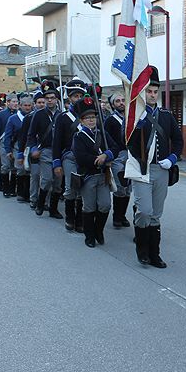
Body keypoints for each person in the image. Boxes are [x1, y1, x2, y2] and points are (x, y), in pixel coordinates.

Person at [125, 66, 183, 269]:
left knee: (156, 214)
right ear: (143, 93)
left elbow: (178, 141)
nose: (152, 95)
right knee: (144, 211)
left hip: (161, 170)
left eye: (155, 91)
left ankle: (154, 254)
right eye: (148, 91)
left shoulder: (166, 116)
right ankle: (141, 251)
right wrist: (137, 126)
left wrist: (173, 158)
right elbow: (129, 145)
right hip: (141, 169)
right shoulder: (135, 116)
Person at [72, 95, 118, 247]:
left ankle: (99, 231)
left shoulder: (102, 134)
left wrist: (106, 155)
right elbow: (80, 157)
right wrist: (97, 160)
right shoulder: (79, 136)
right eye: (87, 118)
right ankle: (89, 235)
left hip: (103, 176)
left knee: (105, 205)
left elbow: (115, 148)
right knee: (89, 207)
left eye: (93, 117)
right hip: (88, 176)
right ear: (81, 120)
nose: (91, 120)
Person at [52, 79, 87, 230]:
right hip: (69, 157)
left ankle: (80, 220)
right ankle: (70, 218)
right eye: (75, 96)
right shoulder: (63, 117)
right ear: (69, 98)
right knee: (70, 188)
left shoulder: (91, 117)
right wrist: (56, 162)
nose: (78, 99)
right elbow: (57, 142)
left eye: (80, 95)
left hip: (86, 158)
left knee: (82, 190)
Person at [28, 81, 64, 219]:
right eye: (47, 98)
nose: (50, 100)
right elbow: (31, 135)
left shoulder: (62, 115)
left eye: (52, 98)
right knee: (47, 179)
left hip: (59, 152)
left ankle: (53, 209)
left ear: (56, 99)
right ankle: (40, 203)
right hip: (46, 151)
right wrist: (33, 149)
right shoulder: (38, 115)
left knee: (58, 182)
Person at [104, 92, 132, 228]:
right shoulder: (110, 120)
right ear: (113, 104)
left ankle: (122, 215)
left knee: (128, 189)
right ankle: (117, 217)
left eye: (123, 100)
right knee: (120, 187)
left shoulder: (132, 118)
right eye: (117, 101)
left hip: (132, 157)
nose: (121, 103)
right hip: (118, 157)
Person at [19, 93, 47, 209]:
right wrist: (21, 153)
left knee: (46, 177)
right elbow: (24, 136)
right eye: (39, 102)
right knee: (35, 175)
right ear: (35, 104)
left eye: (43, 102)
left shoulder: (52, 116)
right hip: (34, 150)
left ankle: (45, 201)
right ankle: (34, 198)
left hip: (46, 150)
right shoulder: (29, 118)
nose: (41, 105)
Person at [3, 95, 32, 199]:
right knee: (21, 169)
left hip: (30, 146)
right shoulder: (13, 119)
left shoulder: (34, 116)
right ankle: (20, 192)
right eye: (25, 105)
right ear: (20, 106)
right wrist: (8, 150)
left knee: (29, 170)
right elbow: (8, 135)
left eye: (29, 105)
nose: (27, 108)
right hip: (17, 146)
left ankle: (27, 192)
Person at [0, 93, 18, 199]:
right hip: (4, 142)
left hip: (15, 143)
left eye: (16, 102)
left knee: (14, 167)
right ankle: (5, 188)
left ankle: (12, 189)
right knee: (5, 166)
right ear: (8, 102)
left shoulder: (19, 114)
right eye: (13, 102)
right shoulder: (1, 114)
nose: (15, 104)